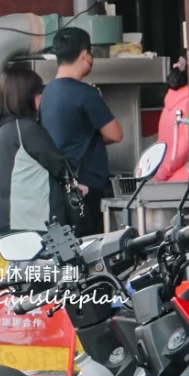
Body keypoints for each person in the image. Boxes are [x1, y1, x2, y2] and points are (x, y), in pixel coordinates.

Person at [40, 27, 123, 236]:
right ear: (85, 54)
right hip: (86, 188)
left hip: (58, 187)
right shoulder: (85, 93)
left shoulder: (47, 92)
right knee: (90, 251)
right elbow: (116, 134)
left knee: (66, 251)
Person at [0, 68, 79, 235]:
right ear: (26, 97)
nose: (41, 98)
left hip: (1, 221)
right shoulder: (26, 130)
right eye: (38, 93)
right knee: (59, 261)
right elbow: (62, 169)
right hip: (33, 225)